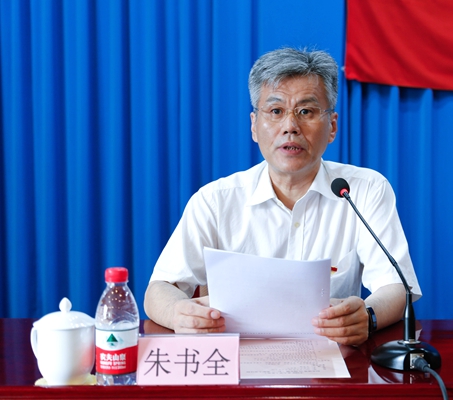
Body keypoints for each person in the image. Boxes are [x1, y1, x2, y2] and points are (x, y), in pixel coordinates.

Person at [144, 47, 421, 346]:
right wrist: (178, 313)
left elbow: (397, 286)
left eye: (306, 112)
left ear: (332, 127)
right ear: (254, 126)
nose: (290, 127)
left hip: (332, 359)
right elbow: (159, 289)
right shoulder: (215, 201)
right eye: (276, 111)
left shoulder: (364, 190)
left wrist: (368, 317)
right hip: (237, 359)